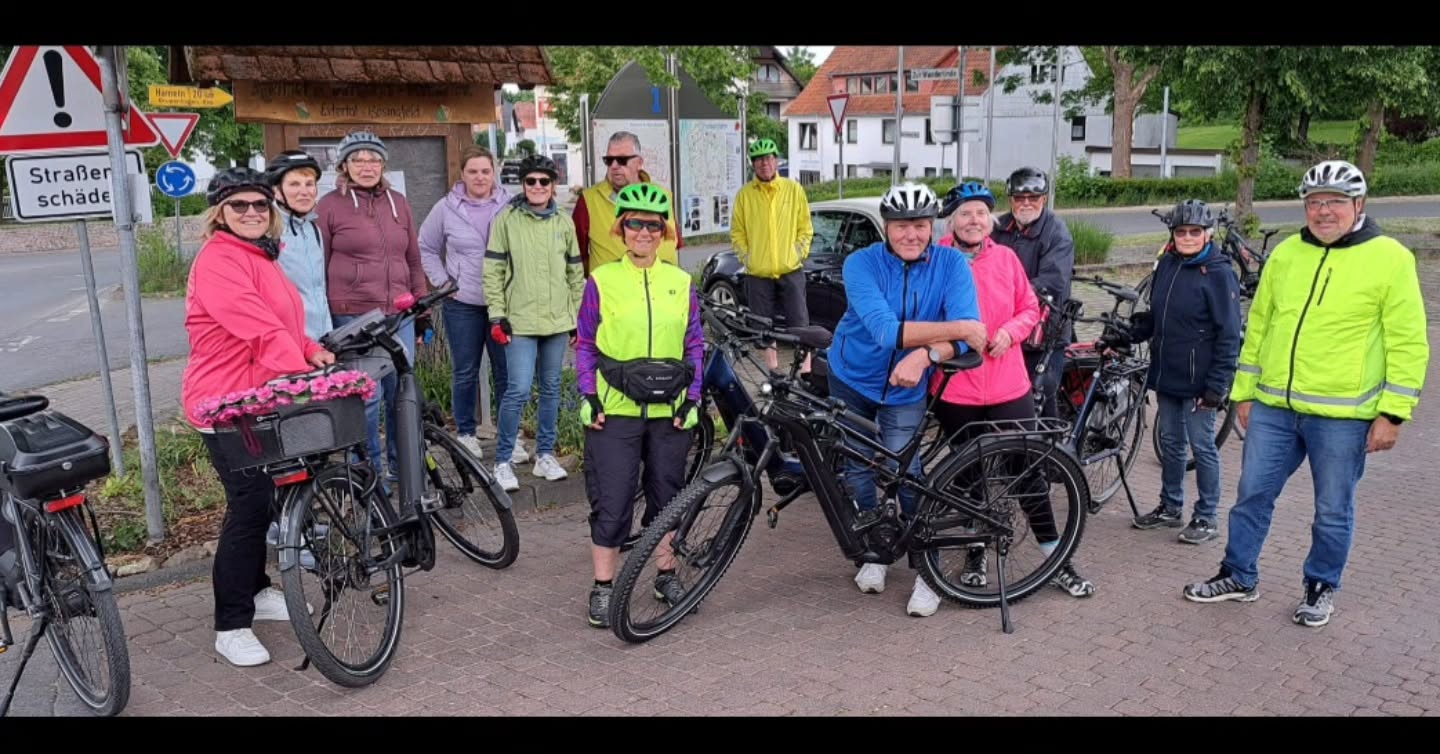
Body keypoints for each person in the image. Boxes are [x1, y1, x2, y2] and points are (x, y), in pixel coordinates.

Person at [1182, 160, 1429, 628]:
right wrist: (1246, 393)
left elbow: (1408, 340)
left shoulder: (1391, 258)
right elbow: (1260, 328)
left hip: (1343, 415)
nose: (1323, 211)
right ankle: (1238, 575)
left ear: (1359, 205)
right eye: (1315, 202)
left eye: (1335, 201)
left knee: (1333, 508)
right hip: (1275, 407)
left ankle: (1320, 585)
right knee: (1251, 495)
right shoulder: (1288, 254)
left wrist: (1394, 413)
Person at [180, 167, 334, 667]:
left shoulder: (263, 256)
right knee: (248, 506)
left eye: (259, 205)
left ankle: (260, 588)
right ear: (219, 214)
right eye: (239, 206)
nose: (251, 213)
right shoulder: (219, 261)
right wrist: (302, 373)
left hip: (258, 398)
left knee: (266, 497)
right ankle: (231, 623)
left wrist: (312, 349)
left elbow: (285, 320)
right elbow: (257, 329)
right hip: (224, 404)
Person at [923, 181, 1095, 617]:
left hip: (1007, 384)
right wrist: (960, 337)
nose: (974, 220)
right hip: (957, 388)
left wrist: (1009, 333)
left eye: (981, 213)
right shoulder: (936, 259)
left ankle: (1056, 557)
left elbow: (1030, 308)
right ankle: (976, 551)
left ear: (991, 220)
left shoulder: (1007, 258)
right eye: (965, 214)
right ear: (951, 221)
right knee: (968, 476)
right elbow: (923, 318)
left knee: (1028, 471)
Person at [825, 181, 986, 613]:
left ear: (933, 226)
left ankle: (928, 570)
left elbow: (976, 342)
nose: (910, 234)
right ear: (886, 227)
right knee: (857, 469)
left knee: (906, 472)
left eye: (919, 224)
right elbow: (886, 330)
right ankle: (874, 552)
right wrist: (960, 329)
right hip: (851, 377)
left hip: (906, 390)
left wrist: (927, 354)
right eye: (900, 226)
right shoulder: (861, 263)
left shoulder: (952, 264)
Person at [575, 183, 704, 628]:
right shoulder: (602, 281)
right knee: (611, 502)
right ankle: (604, 587)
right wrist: (588, 396)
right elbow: (587, 344)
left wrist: (694, 399)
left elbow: (694, 345)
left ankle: (664, 574)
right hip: (616, 410)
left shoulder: (681, 281)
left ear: (664, 231)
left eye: (653, 224)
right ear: (621, 228)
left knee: (667, 497)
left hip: (669, 412)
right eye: (635, 223)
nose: (644, 232)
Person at [1113, 199, 1242, 544]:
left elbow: (1229, 334)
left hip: (1201, 380)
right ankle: (1170, 507)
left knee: (1202, 447)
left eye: (1194, 232)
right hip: (1168, 372)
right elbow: (1158, 316)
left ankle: (1206, 516)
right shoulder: (1168, 264)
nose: (1187, 237)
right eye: (1181, 231)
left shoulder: (1218, 273)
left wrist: (1217, 386)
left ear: (1208, 234)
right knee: (1171, 443)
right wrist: (1130, 333)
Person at [316, 130, 427, 486]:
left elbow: (412, 257)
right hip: (354, 314)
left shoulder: (399, 203)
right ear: (345, 166)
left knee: (401, 393)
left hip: (398, 313)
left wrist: (420, 308)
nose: (367, 166)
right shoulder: (330, 205)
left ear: (384, 165)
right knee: (367, 397)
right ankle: (367, 471)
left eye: (374, 159)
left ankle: (402, 465)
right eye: (358, 160)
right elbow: (321, 262)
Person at [484, 154, 585, 492]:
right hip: (521, 322)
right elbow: (493, 272)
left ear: (553, 185)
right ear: (523, 185)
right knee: (518, 390)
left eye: (544, 181)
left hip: (557, 322)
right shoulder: (507, 220)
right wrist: (497, 316)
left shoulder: (564, 223)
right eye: (531, 181)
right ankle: (502, 460)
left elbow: (575, 274)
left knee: (553, 389)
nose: (538, 187)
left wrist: (577, 319)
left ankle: (544, 455)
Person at [419, 145, 511, 460]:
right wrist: (444, 283)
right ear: (463, 174)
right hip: (463, 302)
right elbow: (426, 246)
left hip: (503, 303)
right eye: (473, 171)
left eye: (485, 170)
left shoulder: (510, 204)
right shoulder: (446, 208)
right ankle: (467, 433)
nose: (480, 177)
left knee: (506, 371)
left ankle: (509, 435)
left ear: (494, 172)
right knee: (465, 370)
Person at [991, 167, 1075, 418]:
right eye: (1019, 198)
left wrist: (1004, 296)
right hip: (1006, 329)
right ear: (1011, 199)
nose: (1026, 203)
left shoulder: (1057, 233)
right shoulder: (998, 228)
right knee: (1006, 400)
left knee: (1040, 400)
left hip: (1045, 333)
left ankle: (1050, 454)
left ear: (1044, 199)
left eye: (1033, 198)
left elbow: (1053, 280)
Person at [730, 137, 815, 372]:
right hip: (758, 272)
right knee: (762, 326)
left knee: (800, 323)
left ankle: (805, 373)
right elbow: (737, 232)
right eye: (757, 160)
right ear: (753, 164)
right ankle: (772, 373)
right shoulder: (745, 195)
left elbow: (805, 227)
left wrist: (798, 253)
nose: (763, 164)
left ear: (776, 160)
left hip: (790, 269)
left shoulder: (793, 189)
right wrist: (747, 259)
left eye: (768, 158)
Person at [573, 131, 683, 273]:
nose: (614, 166)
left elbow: (674, 242)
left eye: (622, 160)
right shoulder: (589, 200)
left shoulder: (663, 196)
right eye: (609, 160)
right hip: (613, 292)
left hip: (664, 289)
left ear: (639, 163)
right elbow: (577, 255)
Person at [264, 149, 332, 342]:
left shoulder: (313, 230)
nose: (304, 191)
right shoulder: (269, 231)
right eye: (294, 184)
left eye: (309, 184)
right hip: (287, 342)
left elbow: (319, 290)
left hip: (320, 341)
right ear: (276, 190)